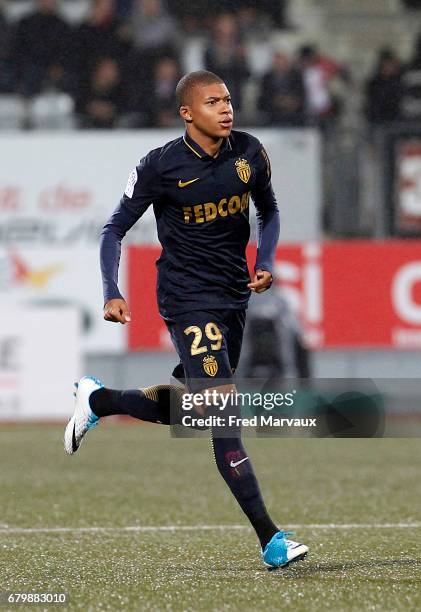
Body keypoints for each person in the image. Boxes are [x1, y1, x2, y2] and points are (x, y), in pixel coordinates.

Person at [64, 70, 309, 570]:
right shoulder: (160, 166)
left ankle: (98, 399)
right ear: (187, 113)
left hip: (232, 297)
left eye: (228, 99)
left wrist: (264, 261)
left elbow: (270, 210)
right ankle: (271, 538)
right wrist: (112, 290)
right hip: (186, 299)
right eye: (213, 101)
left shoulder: (250, 153)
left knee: (191, 408)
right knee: (222, 415)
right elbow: (114, 229)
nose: (226, 108)